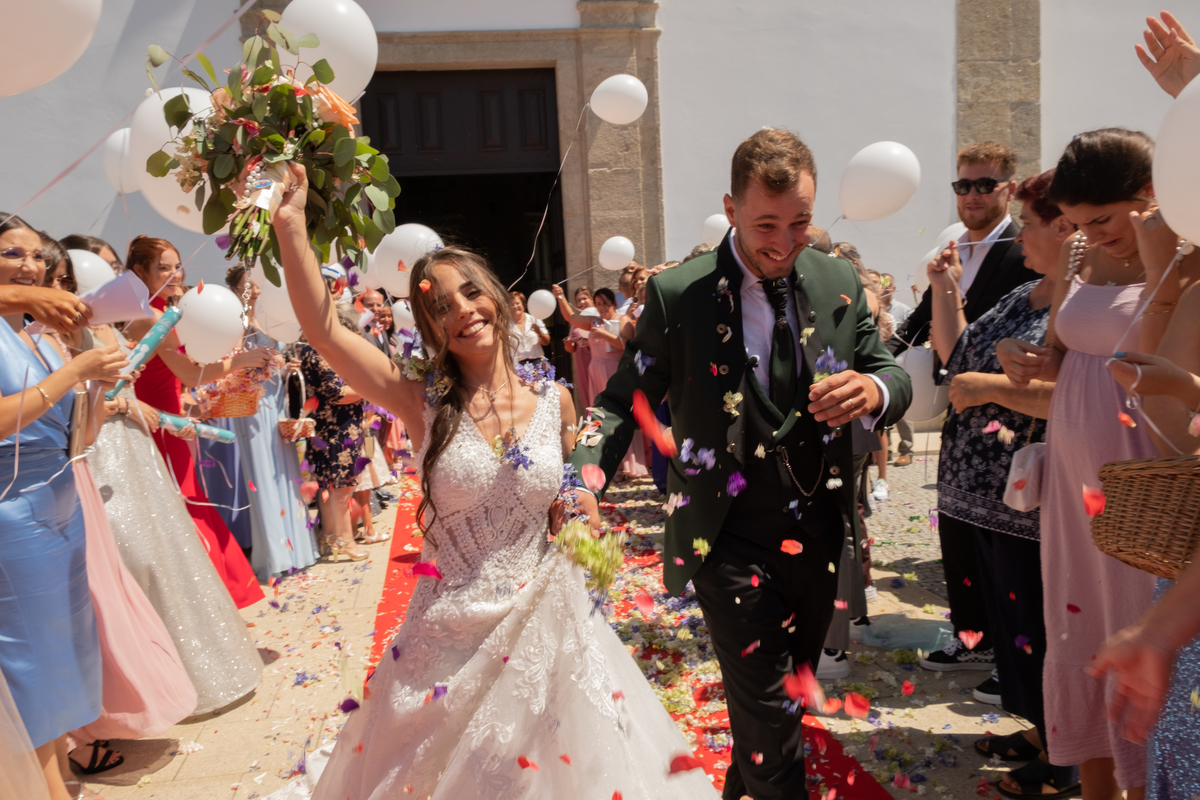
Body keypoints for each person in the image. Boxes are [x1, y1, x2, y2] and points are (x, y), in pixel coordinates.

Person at [268, 162, 719, 800]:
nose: (462, 312)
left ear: (498, 296)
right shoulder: (417, 400)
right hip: (446, 633)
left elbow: (565, 490)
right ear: (431, 326)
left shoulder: (557, 400)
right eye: (442, 306)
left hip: (545, 624)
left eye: (470, 294)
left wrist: (579, 511)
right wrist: (291, 225)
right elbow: (325, 331)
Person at [565, 129, 912, 800]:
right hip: (725, 537)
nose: (784, 242)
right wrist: (584, 476)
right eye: (765, 225)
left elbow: (888, 373)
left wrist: (875, 390)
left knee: (780, 712)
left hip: (817, 534)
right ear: (730, 209)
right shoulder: (678, 292)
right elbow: (620, 400)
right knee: (771, 714)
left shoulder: (838, 279)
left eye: (800, 222)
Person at [999, 127, 1200, 800]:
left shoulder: (1186, 257)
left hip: (1144, 473)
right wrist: (1031, 362)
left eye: (1102, 219)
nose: (1090, 233)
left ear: (1149, 193)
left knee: (1132, 622)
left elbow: (1153, 370)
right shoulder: (1080, 252)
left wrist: (1159, 264)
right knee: (1078, 626)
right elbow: (1064, 352)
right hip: (1072, 477)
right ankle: (1093, 785)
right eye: (1077, 222)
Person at [928, 170, 1077, 796]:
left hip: (1027, 504)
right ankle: (1045, 731)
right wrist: (944, 289)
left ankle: (1066, 754)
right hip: (983, 501)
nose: (1021, 239)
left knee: (1040, 628)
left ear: (1066, 229)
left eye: (1032, 225)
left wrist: (987, 389)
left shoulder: (1083, 303)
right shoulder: (1028, 294)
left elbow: (1081, 397)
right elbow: (954, 355)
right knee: (1012, 626)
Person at [0, 213, 128, 800]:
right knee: (28, 664)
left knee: (58, 656)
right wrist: (76, 369)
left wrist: (95, 381)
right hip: (13, 513)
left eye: (34, 255)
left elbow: (81, 435)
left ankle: (59, 780)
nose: (28, 265)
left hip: (59, 504)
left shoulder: (32, 334)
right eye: (11, 253)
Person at [910, 142, 1037, 676]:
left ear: (1008, 188)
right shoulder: (953, 248)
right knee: (958, 527)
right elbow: (921, 321)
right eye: (964, 186)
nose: (973, 196)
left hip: (1011, 417)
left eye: (986, 185)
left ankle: (1012, 656)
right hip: (960, 410)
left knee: (1002, 542)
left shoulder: (1023, 252)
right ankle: (974, 637)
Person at [124, 235, 266, 609]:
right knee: (184, 508)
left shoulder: (160, 312)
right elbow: (189, 373)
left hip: (172, 421)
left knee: (188, 504)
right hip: (158, 428)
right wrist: (242, 361)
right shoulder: (151, 317)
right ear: (140, 271)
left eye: (176, 265)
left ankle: (210, 603)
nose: (174, 274)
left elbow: (175, 379)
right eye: (163, 267)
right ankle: (209, 603)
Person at [224, 265, 320, 578]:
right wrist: (259, 366)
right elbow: (227, 366)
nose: (254, 289)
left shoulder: (269, 320)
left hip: (276, 402)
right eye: (247, 285)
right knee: (263, 475)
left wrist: (284, 367)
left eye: (257, 284)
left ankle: (299, 548)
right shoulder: (233, 322)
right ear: (237, 290)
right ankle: (275, 555)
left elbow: (274, 362)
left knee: (286, 473)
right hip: (251, 405)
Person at [552, 284, 648, 478]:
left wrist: (605, 335)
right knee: (600, 419)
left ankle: (632, 464)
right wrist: (560, 297)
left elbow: (626, 345)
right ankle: (613, 463)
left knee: (620, 416)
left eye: (605, 303)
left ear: (613, 302)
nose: (602, 307)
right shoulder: (594, 320)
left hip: (614, 371)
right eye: (598, 304)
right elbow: (571, 317)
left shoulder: (623, 320)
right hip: (595, 372)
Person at [299, 305, 370, 563]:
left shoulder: (311, 348)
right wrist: (370, 388)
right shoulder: (318, 350)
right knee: (341, 486)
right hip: (336, 429)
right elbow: (336, 393)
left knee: (332, 485)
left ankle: (329, 534)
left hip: (334, 426)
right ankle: (345, 540)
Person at [562, 286, 594, 412]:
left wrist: (589, 341)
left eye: (584, 298)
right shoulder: (576, 320)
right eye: (578, 300)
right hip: (582, 364)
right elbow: (571, 349)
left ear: (592, 299)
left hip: (596, 361)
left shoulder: (599, 316)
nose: (581, 302)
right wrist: (568, 345)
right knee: (587, 398)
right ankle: (593, 428)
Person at [509, 290, 550, 363]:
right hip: (517, 367)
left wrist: (539, 332)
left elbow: (546, 342)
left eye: (517, 303)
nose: (515, 306)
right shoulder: (506, 325)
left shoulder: (534, 319)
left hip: (537, 365)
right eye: (512, 305)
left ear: (523, 304)